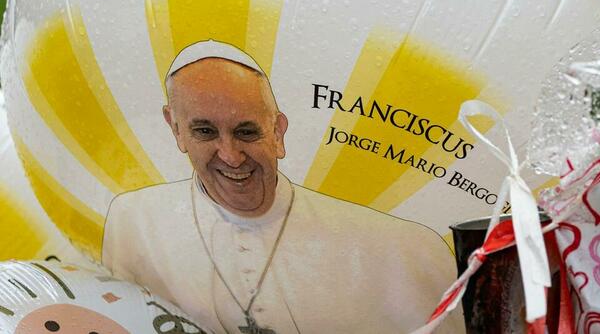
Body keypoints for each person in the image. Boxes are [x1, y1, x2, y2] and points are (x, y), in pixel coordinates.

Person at [102, 40, 460, 334]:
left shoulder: (403, 247)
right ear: (175, 128)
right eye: (205, 132)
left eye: (246, 132)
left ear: (277, 132)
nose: (230, 155)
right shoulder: (133, 221)